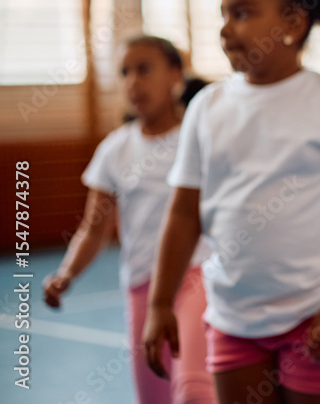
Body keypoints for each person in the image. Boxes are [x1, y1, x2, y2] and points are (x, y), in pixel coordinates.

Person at [143, 0, 320, 404]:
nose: (226, 29)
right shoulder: (206, 107)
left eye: (242, 13)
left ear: (293, 23)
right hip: (233, 318)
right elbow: (184, 213)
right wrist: (160, 301)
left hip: (319, 315)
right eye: (223, 15)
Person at [44, 35, 214, 404]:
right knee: (155, 394)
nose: (133, 81)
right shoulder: (114, 150)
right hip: (142, 287)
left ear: (175, 75)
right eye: (125, 72)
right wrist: (67, 273)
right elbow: (93, 228)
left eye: (144, 69)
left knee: (194, 389)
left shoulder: (199, 138)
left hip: (197, 278)